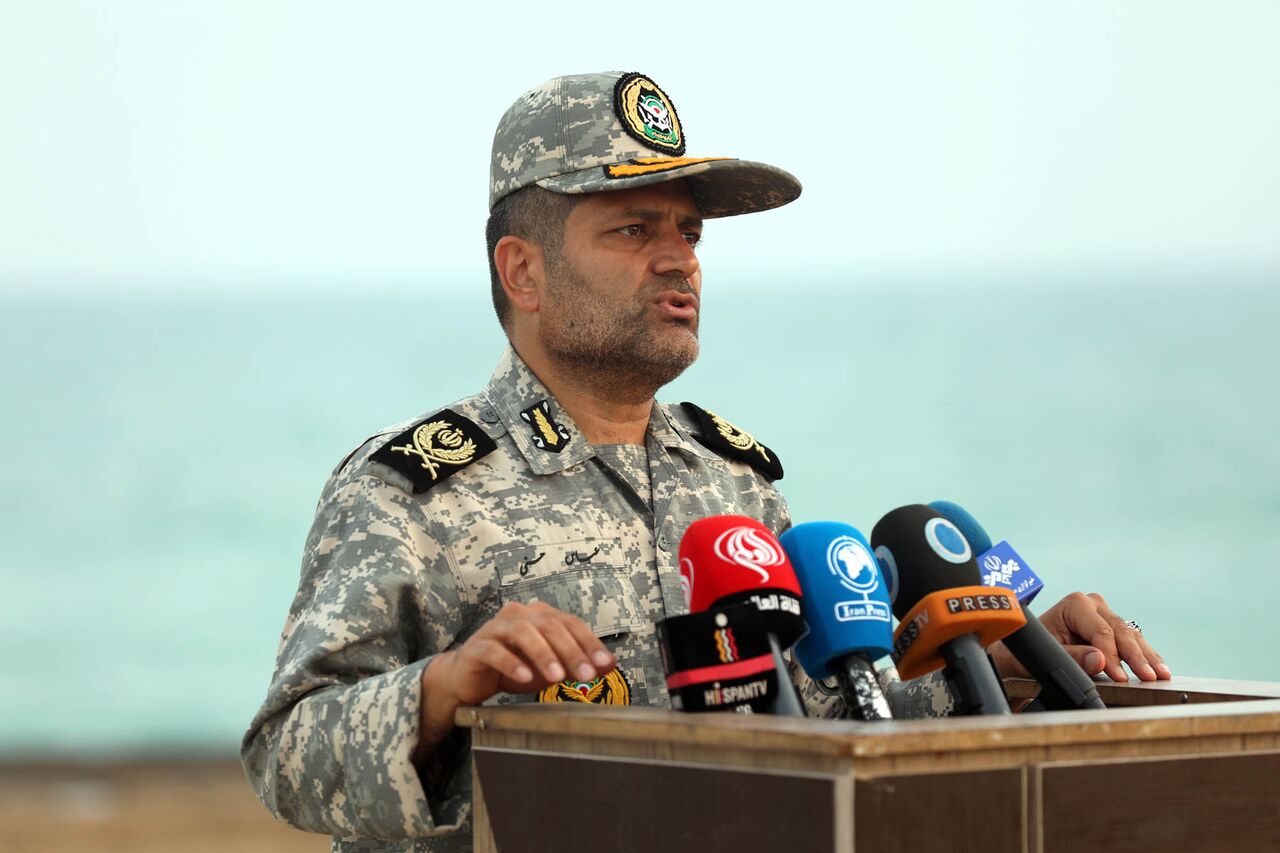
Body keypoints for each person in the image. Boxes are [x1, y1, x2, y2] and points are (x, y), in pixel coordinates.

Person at [241, 71, 1171, 852]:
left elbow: (821, 719)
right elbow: (287, 755)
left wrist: (1003, 659)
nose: (679, 260)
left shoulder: (735, 479)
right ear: (523, 272)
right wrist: (446, 687)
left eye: (688, 233)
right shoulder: (412, 488)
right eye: (633, 230)